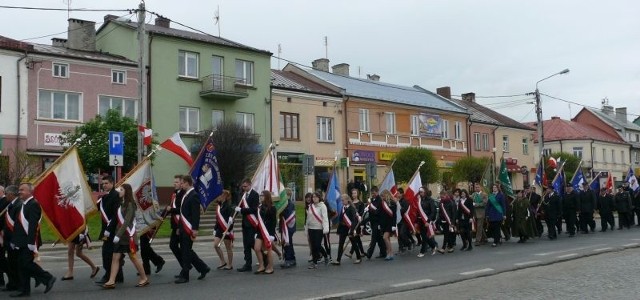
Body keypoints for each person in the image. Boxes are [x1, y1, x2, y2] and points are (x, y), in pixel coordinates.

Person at [11, 183, 56, 297]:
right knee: (22, 265)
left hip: (28, 241)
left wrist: (31, 243)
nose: (19, 191)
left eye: (22, 190)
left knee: (26, 263)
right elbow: (19, 225)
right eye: (19, 189)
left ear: (30, 192)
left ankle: (48, 277)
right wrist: (14, 241)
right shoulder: (24, 204)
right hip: (21, 241)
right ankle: (25, 290)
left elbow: (33, 225)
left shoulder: (33, 204)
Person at [101, 184, 149, 289]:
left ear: (126, 192)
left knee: (133, 257)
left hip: (128, 236)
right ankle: (111, 280)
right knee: (115, 257)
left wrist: (117, 235)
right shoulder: (121, 204)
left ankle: (144, 277)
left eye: (121, 190)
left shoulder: (130, 204)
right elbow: (116, 219)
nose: (119, 191)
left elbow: (127, 222)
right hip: (121, 236)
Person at [175, 176, 210, 283]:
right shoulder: (186, 195)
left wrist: (195, 229)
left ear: (188, 183)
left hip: (189, 228)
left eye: (183, 183)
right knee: (187, 251)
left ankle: (185, 276)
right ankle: (203, 268)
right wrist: (179, 227)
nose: (181, 185)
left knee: (186, 252)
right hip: (183, 227)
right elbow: (182, 213)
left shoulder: (194, 195)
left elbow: (196, 214)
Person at [95, 175, 123, 285]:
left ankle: (108, 275)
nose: (104, 185)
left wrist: (109, 229)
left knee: (107, 254)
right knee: (110, 253)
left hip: (112, 230)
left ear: (112, 183)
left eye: (106, 183)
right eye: (103, 184)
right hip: (106, 229)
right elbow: (98, 209)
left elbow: (116, 215)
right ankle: (119, 276)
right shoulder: (104, 196)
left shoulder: (116, 196)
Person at [236, 178, 259, 272]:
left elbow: (254, 209)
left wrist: (242, 210)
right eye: (243, 186)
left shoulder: (255, 195)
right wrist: (237, 210)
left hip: (252, 223)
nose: (244, 188)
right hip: (245, 223)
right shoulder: (243, 195)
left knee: (251, 243)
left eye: (245, 186)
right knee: (246, 244)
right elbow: (240, 206)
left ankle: (263, 258)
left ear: (250, 185)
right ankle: (247, 264)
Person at [1, 185, 20, 292]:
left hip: (14, 239)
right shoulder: (11, 204)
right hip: (8, 237)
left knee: (17, 263)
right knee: (11, 263)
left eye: (7, 194)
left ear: (11, 194)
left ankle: (18, 285)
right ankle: (12, 284)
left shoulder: (17, 205)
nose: (6, 195)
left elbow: (17, 224)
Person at [254, 191, 277, 274]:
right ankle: (261, 265)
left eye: (262, 196)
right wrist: (256, 231)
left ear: (267, 196)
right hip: (260, 230)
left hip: (268, 232)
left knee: (268, 250)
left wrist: (271, 234)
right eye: (260, 195)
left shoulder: (272, 208)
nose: (260, 197)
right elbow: (258, 220)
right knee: (257, 248)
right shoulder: (259, 207)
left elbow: (273, 222)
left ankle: (270, 267)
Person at [165, 175, 185, 272]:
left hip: (180, 224)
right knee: (174, 246)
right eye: (174, 182)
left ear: (182, 183)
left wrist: (171, 209)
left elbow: (181, 210)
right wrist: (162, 215)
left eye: (176, 182)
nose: (174, 184)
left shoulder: (183, 194)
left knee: (184, 248)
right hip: (174, 224)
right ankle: (187, 265)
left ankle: (188, 266)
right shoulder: (174, 193)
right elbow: (169, 207)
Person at [306, 192, 329, 269]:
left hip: (319, 228)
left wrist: (326, 228)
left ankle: (325, 255)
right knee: (313, 246)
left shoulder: (323, 206)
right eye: (313, 197)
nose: (314, 198)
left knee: (317, 245)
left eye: (316, 197)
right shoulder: (310, 206)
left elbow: (325, 218)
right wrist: (306, 228)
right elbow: (308, 219)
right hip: (311, 228)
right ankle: (314, 262)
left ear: (319, 198)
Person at [213, 190, 234, 271]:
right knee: (215, 245)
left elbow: (231, 220)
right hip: (219, 229)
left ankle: (230, 264)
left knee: (228, 247)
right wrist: (215, 228)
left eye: (219, 195)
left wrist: (229, 230)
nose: (218, 197)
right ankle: (222, 261)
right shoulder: (219, 206)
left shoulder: (228, 206)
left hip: (226, 229)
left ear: (224, 196)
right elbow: (217, 219)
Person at [417, 187, 439, 257]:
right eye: (419, 192)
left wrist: (428, 221)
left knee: (424, 236)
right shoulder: (419, 200)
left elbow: (433, 211)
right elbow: (418, 211)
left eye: (421, 192)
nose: (420, 193)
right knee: (424, 236)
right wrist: (416, 222)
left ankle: (422, 251)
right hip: (420, 220)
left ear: (425, 192)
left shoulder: (430, 200)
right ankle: (433, 246)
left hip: (427, 220)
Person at [365, 186, 387, 259]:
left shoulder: (379, 200)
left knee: (373, 238)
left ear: (377, 192)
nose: (373, 194)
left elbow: (377, 211)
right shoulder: (372, 200)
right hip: (372, 221)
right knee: (379, 239)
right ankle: (383, 252)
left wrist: (370, 205)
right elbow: (369, 210)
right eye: (372, 193)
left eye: (374, 193)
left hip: (378, 222)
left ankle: (369, 253)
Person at [279, 189, 297, 269]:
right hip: (284, 226)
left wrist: (280, 210)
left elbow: (288, 214)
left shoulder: (289, 204)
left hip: (288, 227)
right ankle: (291, 258)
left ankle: (289, 259)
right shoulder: (285, 203)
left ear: (288, 195)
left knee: (287, 243)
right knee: (287, 243)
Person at [379, 190, 396, 261]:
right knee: (387, 238)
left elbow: (394, 215)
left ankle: (389, 253)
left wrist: (394, 225)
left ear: (386, 195)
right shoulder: (382, 203)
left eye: (383, 196)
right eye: (381, 196)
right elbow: (380, 214)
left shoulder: (392, 203)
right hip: (384, 224)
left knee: (385, 237)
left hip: (390, 223)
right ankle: (391, 253)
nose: (382, 198)